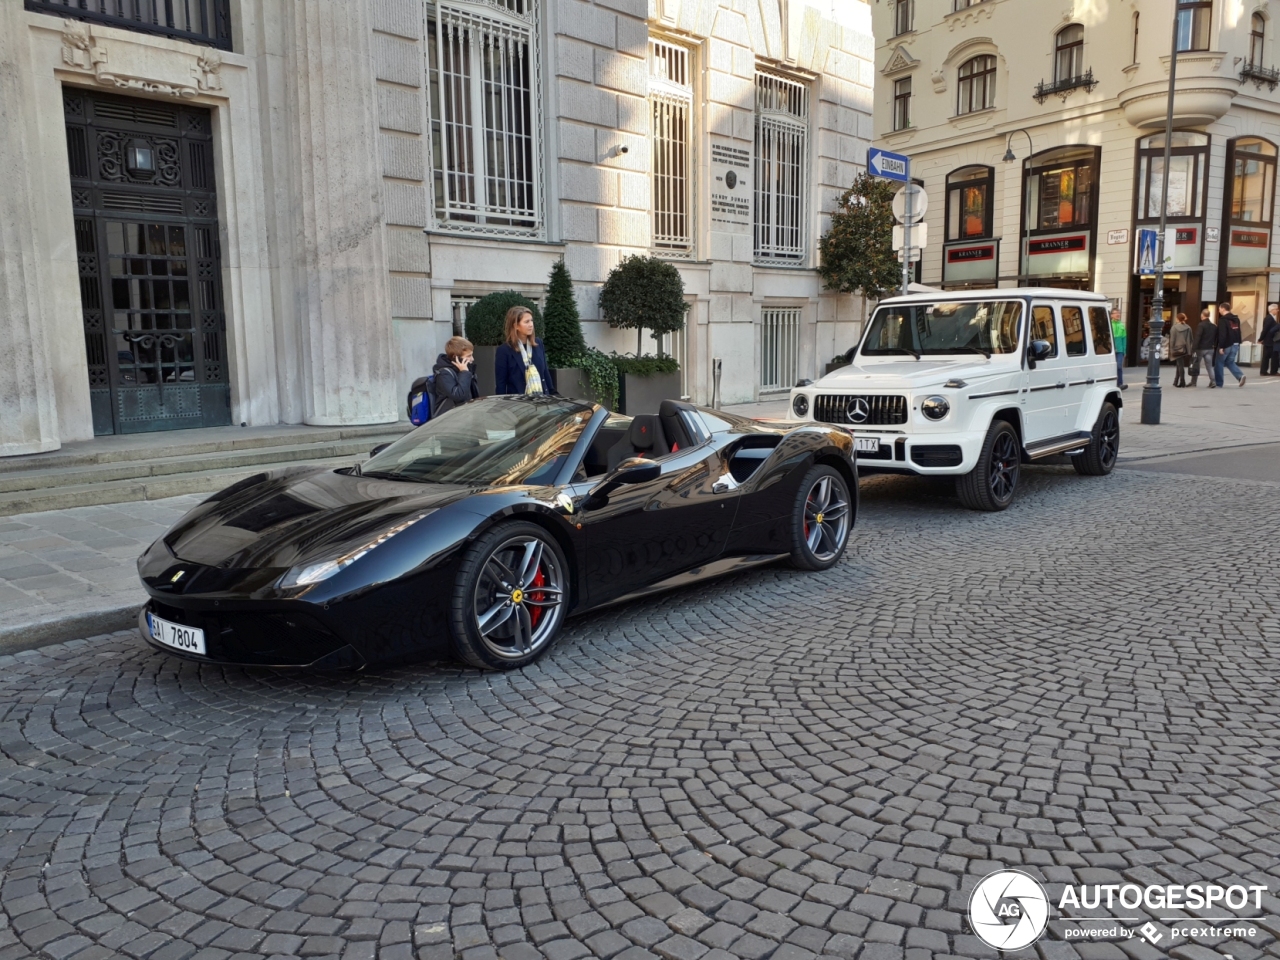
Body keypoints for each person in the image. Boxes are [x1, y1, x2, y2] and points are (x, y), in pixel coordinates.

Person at [495, 305, 554, 396]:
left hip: (543, 401)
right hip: (519, 405)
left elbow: (545, 372)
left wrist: (554, 395)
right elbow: (501, 384)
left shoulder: (538, 343)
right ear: (516, 326)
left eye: (531, 320)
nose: (531, 324)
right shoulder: (504, 350)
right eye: (526, 322)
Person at [431, 335, 480, 415]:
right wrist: (464, 372)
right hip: (449, 419)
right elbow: (458, 396)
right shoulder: (444, 373)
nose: (472, 359)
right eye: (468, 356)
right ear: (455, 357)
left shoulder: (465, 370)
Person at [1214, 301, 1246, 388]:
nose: (1219, 310)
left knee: (1219, 363)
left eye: (1220, 308)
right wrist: (1239, 342)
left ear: (1223, 309)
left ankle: (1219, 383)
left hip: (1226, 344)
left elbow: (1222, 334)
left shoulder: (1223, 320)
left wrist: (1221, 346)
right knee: (1229, 361)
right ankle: (1240, 376)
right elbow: (1238, 332)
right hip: (1235, 344)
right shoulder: (1236, 319)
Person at [1192, 308, 1216, 387]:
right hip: (1210, 348)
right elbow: (1216, 337)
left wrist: (1194, 348)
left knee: (1196, 364)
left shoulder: (1201, 325)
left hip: (1200, 348)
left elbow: (1198, 337)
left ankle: (1194, 382)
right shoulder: (1213, 326)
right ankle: (1213, 381)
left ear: (1202, 315)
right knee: (1209, 366)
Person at [1169, 313, 1193, 387]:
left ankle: (1182, 382)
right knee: (1179, 364)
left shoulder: (1174, 328)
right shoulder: (1188, 328)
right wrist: (1189, 350)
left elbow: (1172, 340)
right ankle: (1175, 381)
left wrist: (1171, 349)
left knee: (1180, 365)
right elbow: (1191, 339)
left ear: (1177, 319)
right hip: (1184, 349)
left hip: (1176, 348)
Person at [1110, 307, 1128, 390]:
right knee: (1111, 367)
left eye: (1119, 313)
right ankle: (1111, 383)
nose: (1118, 314)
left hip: (1120, 349)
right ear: (1111, 315)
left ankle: (1120, 383)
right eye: (1116, 313)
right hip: (1111, 350)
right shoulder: (1109, 324)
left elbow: (1124, 338)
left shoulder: (1122, 325)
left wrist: (1124, 350)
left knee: (1119, 366)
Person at [1261, 303, 1279, 377]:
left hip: (1269, 340)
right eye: (1276, 309)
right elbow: (1265, 329)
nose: (1278, 311)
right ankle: (1271, 371)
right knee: (1272, 356)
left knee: (1268, 356)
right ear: (1272, 310)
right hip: (1269, 340)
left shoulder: (1271, 318)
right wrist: (1261, 338)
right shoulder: (1269, 318)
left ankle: (1265, 371)